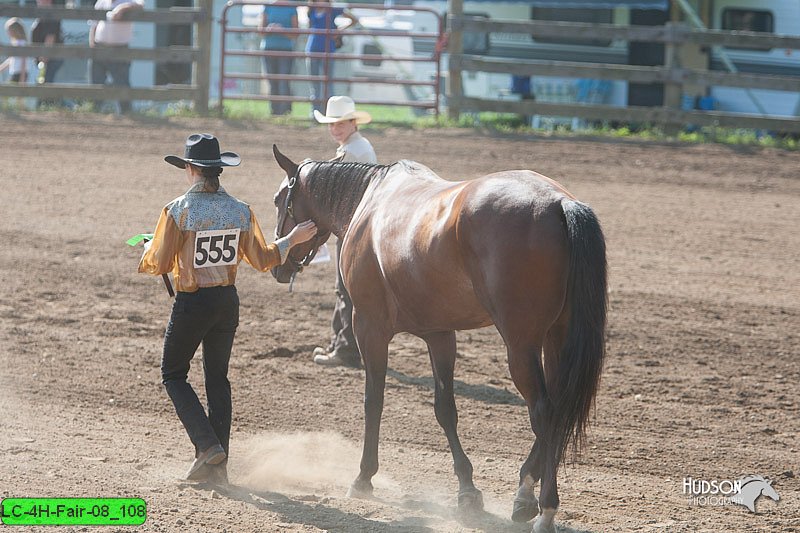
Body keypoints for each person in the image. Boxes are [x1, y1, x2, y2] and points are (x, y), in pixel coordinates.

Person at [138, 133, 317, 483]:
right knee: (217, 379)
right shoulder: (241, 211)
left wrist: (146, 248)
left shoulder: (178, 210)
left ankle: (206, 446)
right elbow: (264, 259)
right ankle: (218, 465)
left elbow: (158, 263)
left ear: (190, 169)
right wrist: (291, 239)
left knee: (173, 374)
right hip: (226, 302)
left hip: (193, 303)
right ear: (217, 170)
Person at [311, 96, 376, 367]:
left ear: (352, 123)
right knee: (348, 288)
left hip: (351, 226)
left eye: (339, 123)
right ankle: (345, 344)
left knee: (345, 288)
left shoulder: (351, 152)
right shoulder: (357, 147)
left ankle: (345, 349)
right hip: (360, 224)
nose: (334, 128)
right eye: (331, 124)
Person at [89, 0, 144, 113]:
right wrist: (92, 46)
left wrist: (122, 8)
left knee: (122, 83)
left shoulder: (129, 1)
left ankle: (126, 112)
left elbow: (141, 5)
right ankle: (95, 111)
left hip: (120, 49)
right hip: (100, 47)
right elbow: (94, 25)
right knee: (96, 82)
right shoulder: (101, 2)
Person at [305, 0, 357, 114]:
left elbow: (353, 19)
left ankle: (330, 113)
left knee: (328, 84)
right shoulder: (311, 10)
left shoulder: (332, 10)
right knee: (314, 85)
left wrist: (338, 30)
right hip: (312, 49)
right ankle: (315, 113)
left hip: (327, 49)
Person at [258, 0, 298, 116]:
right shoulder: (267, 6)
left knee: (283, 82)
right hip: (268, 49)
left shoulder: (291, 8)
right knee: (272, 82)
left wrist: (283, 31)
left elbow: (296, 33)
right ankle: (274, 112)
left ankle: (285, 112)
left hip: (286, 49)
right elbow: (260, 30)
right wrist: (269, 29)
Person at [31, 0, 64, 106]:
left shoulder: (51, 14)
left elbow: (50, 37)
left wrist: (44, 56)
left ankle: (47, 105)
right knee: (45, 82)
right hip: (44, 57)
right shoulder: (43, 13)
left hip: (50, 57)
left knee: (47, 83)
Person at [0, 18, 28, 84]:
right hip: (15, 72)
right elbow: (11, 59)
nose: (8, 33)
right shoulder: (15, 43)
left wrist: (22, 78)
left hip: (20, 73)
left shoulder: (21, 43)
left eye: (9, 30)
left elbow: (24, 60)